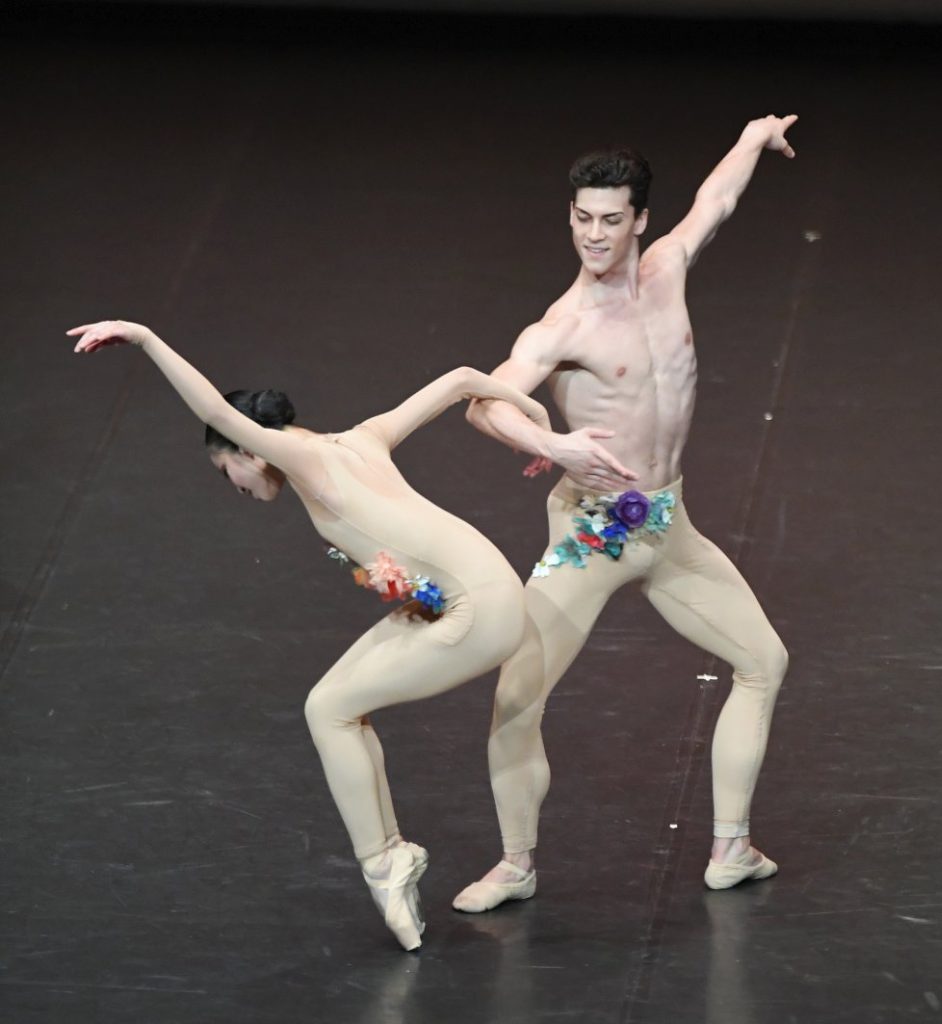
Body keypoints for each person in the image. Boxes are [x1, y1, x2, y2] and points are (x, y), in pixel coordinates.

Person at [68, 319, 550, 950]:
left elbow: (212, 407)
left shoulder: (298, 454)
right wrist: (534, 412)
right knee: (333, 704)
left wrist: (144, 337)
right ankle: (388, 858)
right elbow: (462, 379)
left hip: (479, 612)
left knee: (329, 711)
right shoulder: (361, 438)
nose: (235, 488)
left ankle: (385, 862)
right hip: (478, 589)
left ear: (247, 450)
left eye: (225, 471)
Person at [454, 114, 797, 912]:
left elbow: (715, 201)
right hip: (591, 534)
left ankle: (730, 846)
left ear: (639, 220)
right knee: (514, 703)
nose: (594, 236)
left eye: (611, 220)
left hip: (666, 526)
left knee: (763, 661)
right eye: (581, 219)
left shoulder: (668, 266)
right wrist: (554, 443)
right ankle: (515, 863)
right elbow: (481, 406)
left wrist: (750, 139)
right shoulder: (560, 325)